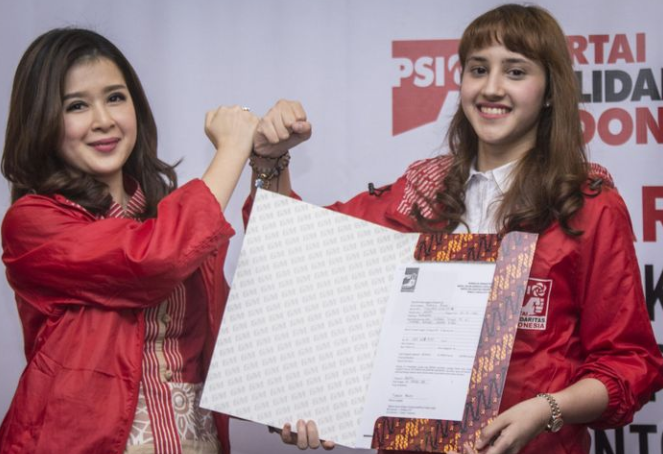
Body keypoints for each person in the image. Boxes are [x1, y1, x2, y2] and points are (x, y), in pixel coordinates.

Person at [242, 4, 663, 454]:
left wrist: (547, 408)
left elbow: (629, 362)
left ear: (548, 92)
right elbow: (291, 247)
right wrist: (270, 159)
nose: (491, 88)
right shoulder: (416, 195)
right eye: (478, 69)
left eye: (515, 72)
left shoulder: (586, 206)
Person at [0, 28, 258, 454]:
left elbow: (234, 342)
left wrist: (271, 161)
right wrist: (232, 150)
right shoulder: (33, 222)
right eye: (77, 105)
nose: (103, 120)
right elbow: (151, 260)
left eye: (115, 98)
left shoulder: (172, 218)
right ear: (42, 121)